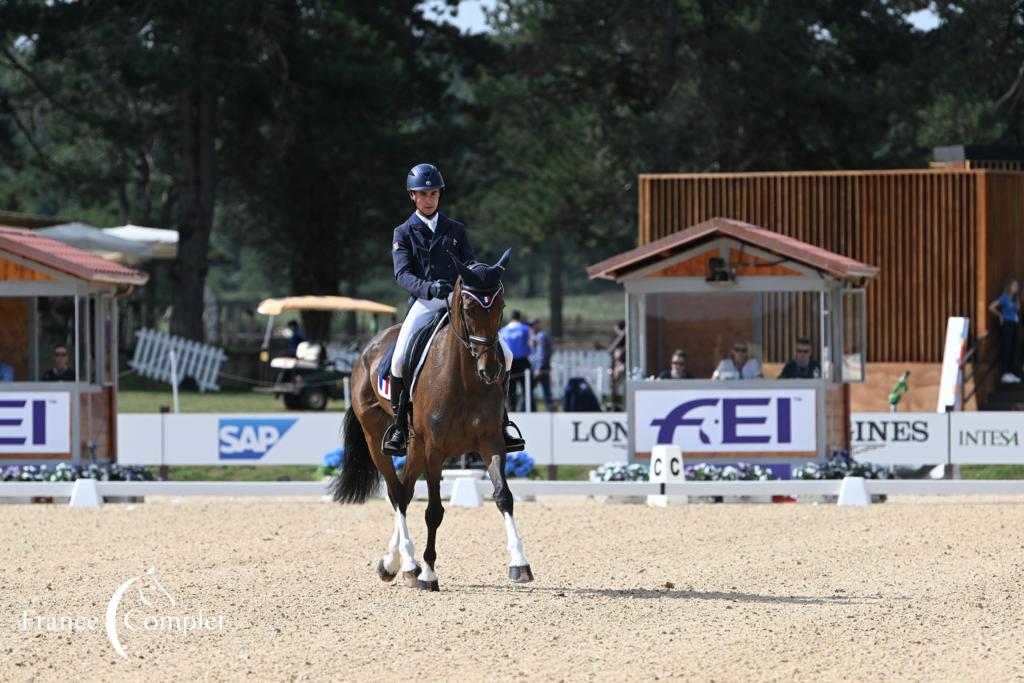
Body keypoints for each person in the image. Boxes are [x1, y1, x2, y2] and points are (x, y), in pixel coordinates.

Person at [384, 163, 524, 454]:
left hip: (459, 302)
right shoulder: (403, 232)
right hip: (425, 302)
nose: (429, 199)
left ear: (439, 195)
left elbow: (470, 262)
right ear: (413, 196)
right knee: (398, 360)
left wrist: (481, 275)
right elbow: (402, 274)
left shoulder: (455, 229)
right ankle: (399, 426)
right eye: (423, 194)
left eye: (433, 193)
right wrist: (427, 288)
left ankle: (504, 421)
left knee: (506, 355)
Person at [988, 278, 1021, 383]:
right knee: (1007, 347)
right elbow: (991, 307)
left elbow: (1018, 308)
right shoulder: (1004, 298)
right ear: (1010, 286)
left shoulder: (1014, 299)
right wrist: (1001, 315)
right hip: (1007, 324)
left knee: (1013, 347)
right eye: (1015, 285)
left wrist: (1018, 296)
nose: (1017, 287)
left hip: (1015, 323)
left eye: (1017, 285)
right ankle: (1005, 372)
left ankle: (1010, 372)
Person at [499, 310, 533, 410]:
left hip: (510, 362)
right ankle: (528, 409)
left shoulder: (503, 330)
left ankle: (511, 409)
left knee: (511, 388)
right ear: (520, 318)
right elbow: (533, 343)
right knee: (527, 388)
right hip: (523, 361)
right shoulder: (526, 329)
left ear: (511, 318)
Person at [528, 317, 554, 410]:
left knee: (529, 389)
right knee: (546, 391)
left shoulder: (541, 336)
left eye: (533, 325)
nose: (531, 328)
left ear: (537, 325)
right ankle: (549, 409)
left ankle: (525, 409)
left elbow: (542, 353)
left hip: (540, 368)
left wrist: (539, 368)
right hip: (543, 367)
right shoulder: (538, 335)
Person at [608, 320, 626, 410]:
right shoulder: (619, 339)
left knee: (621, 388)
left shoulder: (625, 338)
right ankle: (616, 405)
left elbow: (619, 354)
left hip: (622, 367)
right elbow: (611, 351)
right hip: (617, 367)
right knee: (615, 388)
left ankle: (621, 405)